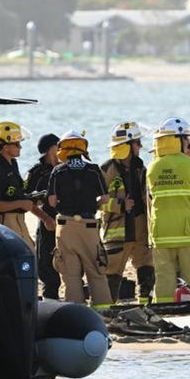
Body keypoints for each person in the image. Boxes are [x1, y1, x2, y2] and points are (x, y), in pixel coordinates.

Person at [146, 117, 190, 308]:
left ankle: (164, 308)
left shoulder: (153, 167)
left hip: (162, 232)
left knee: (164, 276)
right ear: (178, 140)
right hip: (187, 231)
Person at [47, 130, 111, 308]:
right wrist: (94, 206)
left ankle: (75, 308)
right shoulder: (93, 169)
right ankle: (103, 308)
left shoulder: (58, 170)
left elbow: (52, 201)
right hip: (88, 225)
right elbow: (105, 198)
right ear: (83, 148)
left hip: (65, 226)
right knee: (96, 269)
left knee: (70, 273)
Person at [100, 121, 154, 303]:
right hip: (117, 229)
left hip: (140, 226)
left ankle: (145, 304)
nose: (140, 147)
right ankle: (107, 308)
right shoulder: (106, 170)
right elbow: (95, 202)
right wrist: (119, 205)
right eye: (138, 143)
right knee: (112, 271)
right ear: (128, 145)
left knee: (146, 266)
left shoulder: (141, 167)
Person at [0, 121, 55, 249]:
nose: (20, 147)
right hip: (5, 225)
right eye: (17, 144)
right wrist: (20, 204)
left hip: (19, 223)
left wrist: (45, 218)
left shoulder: (13, 165)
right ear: (6, 147)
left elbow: (21, 198)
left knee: (30, 257)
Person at [25, 133, 61, 300]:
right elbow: (28, 202)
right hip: (47, 224)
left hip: (67, 223)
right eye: (57, 144)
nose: (60, 147)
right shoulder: (36, 172)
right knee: (47, 269)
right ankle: (51, 302)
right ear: (49, 149)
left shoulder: (65, 167)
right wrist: (46, 218)